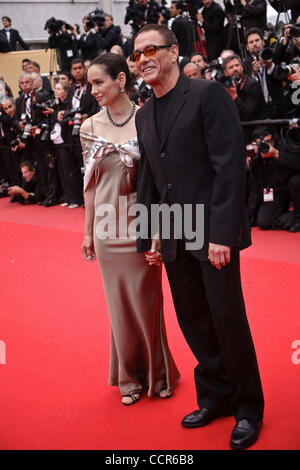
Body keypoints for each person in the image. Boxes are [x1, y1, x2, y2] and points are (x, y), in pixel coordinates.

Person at [133, 23, 264, 450]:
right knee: (193, 320)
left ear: (173, 52)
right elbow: (152, 175)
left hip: (211, 230)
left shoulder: (207, 95)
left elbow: (229, 166)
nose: (142, 59)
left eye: (150, 49)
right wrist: (149, 231)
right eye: (136, 55)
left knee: (227, 318)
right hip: (173, 230)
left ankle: (247, 407)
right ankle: (215, 395)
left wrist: (223, 233)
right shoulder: (144, 113)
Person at [80, 52, 180, 406]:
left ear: (121, 81)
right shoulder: (89, 127)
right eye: (90, 83)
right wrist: (89, 231)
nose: (93, 90)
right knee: (119, 306)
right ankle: (128, 377)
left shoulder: (147, 119)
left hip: (140, 223)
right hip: (107, 229)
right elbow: (90, 186)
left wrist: (158, 230)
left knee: (148, 302)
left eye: (98, 82)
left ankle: (160, 372)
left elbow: (160, 180)